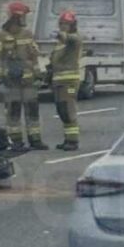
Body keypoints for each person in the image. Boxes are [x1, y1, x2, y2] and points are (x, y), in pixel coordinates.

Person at [0, 1, 48, 152]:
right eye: (23, 16)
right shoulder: (1, 37)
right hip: (11, 82)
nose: (25, 19)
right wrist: (0, 78)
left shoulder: (27, 34)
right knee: (13, 112)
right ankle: (16, 141)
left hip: (29, 81)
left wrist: (39, 75)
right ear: (16, 17)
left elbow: (34, 56)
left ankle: (35, 140)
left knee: (32, 111)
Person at [49, 10, 83, 151]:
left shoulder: (74, 39)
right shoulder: (59, 43)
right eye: (61, 24)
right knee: (62, 111)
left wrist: (61, 35)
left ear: (72, 25)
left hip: (69, 81)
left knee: (68, 111)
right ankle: (67, 139)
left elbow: (71, 39)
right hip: (58, 81)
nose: (63, 26)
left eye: (66, 24)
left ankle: (73, 141)